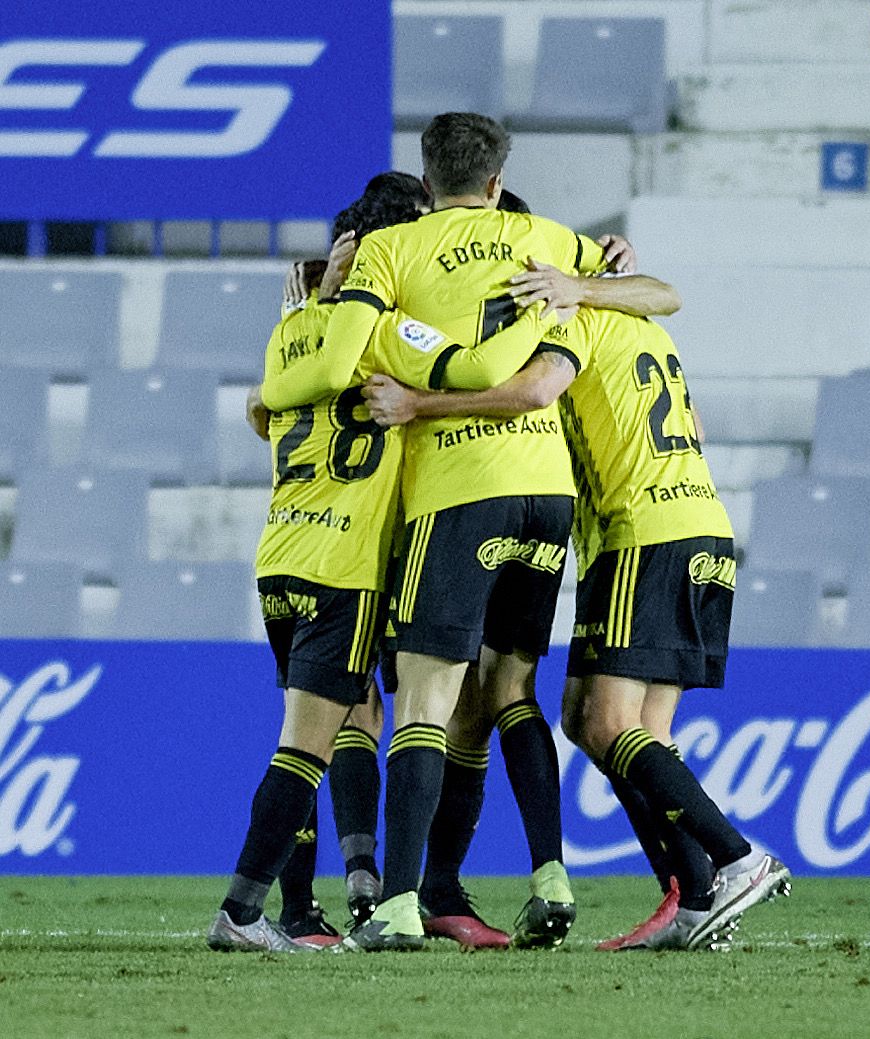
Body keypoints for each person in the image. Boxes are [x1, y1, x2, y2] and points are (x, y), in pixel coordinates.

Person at [265, 110, 645, 952]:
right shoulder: (541, 241)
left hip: (448, 496)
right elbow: (655, 286)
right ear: (499, 182)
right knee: (508, 690)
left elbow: (298, 384)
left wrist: (324, 308)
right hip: (547, 496)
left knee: (412, 705)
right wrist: (602, 268)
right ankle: (547, 874)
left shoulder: (393, 254)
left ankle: (391, 896)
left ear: (428, 186)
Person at [363, 287, 792, 952]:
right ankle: (693, 896)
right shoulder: (645, 327)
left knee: (606, 721)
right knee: (614, 723)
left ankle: (734, 859)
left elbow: (536, 391)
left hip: (641, 532)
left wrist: (420, 404)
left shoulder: (576, 320)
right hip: (702, 523)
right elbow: (691, 407)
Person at [208, 186, 428, 953]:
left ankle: (302, 912)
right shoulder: (392, 335)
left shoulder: (292, 331)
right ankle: (243, 910)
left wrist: (322, 297)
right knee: (307, 745)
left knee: (322, 730)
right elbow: (469, 367)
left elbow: (259, 409)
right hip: (346, 565)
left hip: (280, 558)